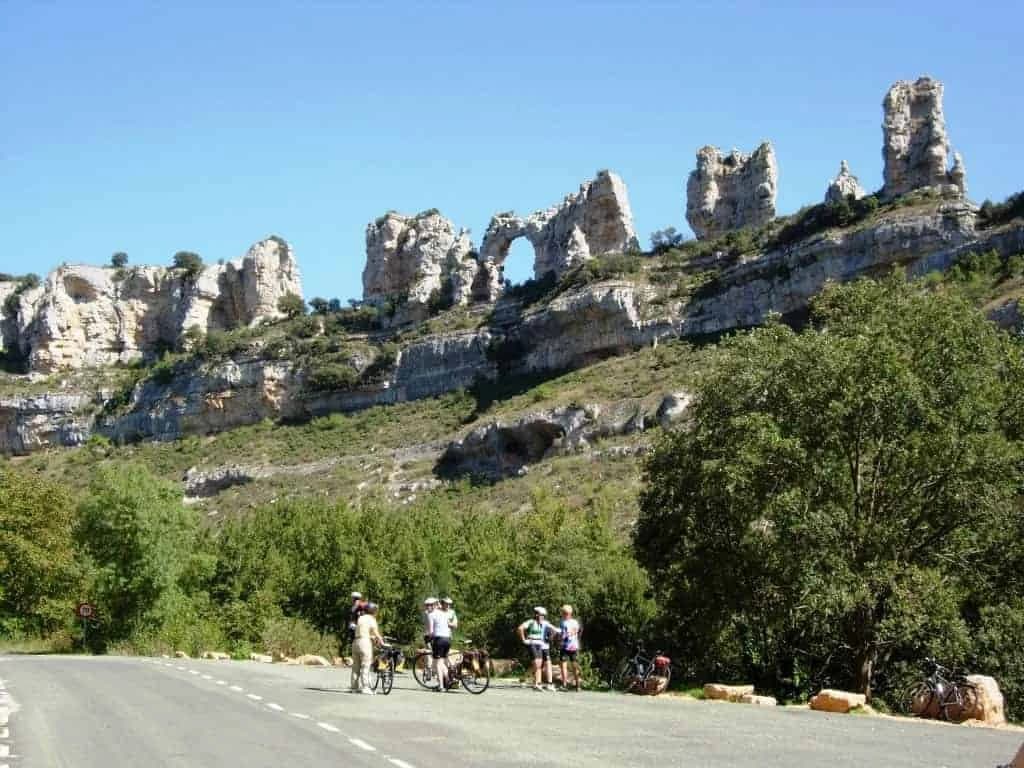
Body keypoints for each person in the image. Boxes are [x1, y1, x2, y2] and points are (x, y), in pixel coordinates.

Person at [518, 606, 558, 692]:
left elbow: (555, 629)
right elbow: (520, 628)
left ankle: (538, 684)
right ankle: (536, 684)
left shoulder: (543, 623)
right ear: (536, 615)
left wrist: (551, 636)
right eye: (541, 615)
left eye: (543, 615)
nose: (542, 617)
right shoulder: (531, 622)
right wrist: (524, 640)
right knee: (536, 663)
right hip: (532, 643)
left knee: (539, 664)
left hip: (539, 644)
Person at [350, 602, 383, 694]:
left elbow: (361, 630)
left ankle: (354, 687)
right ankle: (365, 687)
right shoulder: (371, 619)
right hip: (365, 643)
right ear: (373, 611)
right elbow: (375, 632)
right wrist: (381, 641)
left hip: (356, 642)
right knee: (365, 665)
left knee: (356, 666)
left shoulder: (361, 618)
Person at [427, 595, 456, 691]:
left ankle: (441, 686)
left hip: (439, 640)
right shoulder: (443, 613)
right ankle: (448, 680)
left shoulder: (431, 615)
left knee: (438, 664)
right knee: (442, 662)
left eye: (429, 605)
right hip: (447, 639)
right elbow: (450, 625)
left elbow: (431, 631)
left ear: (434, 605)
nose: (428, 607)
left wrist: (428, 638)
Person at [557, 604, 582, 691]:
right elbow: (578, 631)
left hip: (568, 646)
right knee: (570, 665)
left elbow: (562, 634)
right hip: (572, 645)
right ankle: (575, 685)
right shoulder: (575, 622)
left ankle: (568, 684)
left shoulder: (563, 622)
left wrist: (562, 638)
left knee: (570, 665)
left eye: (564, 613)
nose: (563, 614)